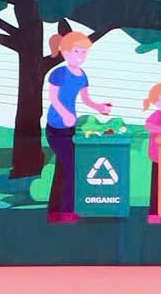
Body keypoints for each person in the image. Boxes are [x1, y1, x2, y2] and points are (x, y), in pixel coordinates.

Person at [43, 30, 112, 225]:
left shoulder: (82, 76)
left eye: (84, 52)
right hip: (56, 128)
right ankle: (66, 211)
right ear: (64, 52)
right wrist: (65, 114)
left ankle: (55, 212)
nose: (80, 56)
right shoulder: (59, 73)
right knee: (72, 167)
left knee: (63, 168)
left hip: (70, 128)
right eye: (76, 51)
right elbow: (53, 98)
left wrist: (99, 107)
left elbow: (86, 99)